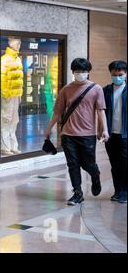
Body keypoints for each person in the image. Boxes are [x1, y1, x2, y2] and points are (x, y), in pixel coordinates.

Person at [45, 58, 109, 205]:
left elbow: (100, 111)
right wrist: (48, 130)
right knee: (72, 164)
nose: (81, 74)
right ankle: (77, 193)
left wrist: (104, 130)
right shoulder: (66, 90)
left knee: (89, 164)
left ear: (88, 72)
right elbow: (57, 113)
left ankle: (95, 175)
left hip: (87, 134)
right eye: (78, 71)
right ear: (73, 72)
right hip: (68, 134)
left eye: (84, 71)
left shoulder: (96, 89)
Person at [103, 60, 127, 203]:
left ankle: (124, 191)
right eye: (114, 74)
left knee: (124, 163)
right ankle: (117, 190)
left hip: (125, 134)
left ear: (125, 74)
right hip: (111, 134)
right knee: (114, 164)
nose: (117, 77)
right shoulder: (105, 90)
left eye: (120, 74)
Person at [0, 37, 24, 155]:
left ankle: (13, 146)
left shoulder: (18, 60)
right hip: (8, 95)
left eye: (20, 42)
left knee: (14, 120)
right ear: (11, 44)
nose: (19, 45)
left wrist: (20, 94)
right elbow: (2, 78)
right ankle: (5, 147)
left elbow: (20, 79)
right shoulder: (4, 60)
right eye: (17, 42)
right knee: (6, 119)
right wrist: (5, 94)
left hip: (16, 95)